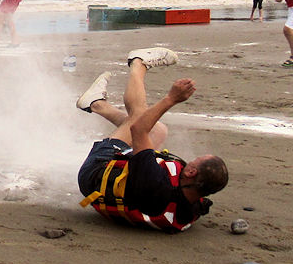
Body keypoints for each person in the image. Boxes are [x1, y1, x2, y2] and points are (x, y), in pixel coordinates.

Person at [74, 47, 228, 233]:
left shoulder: (154, 182)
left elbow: (138, 129)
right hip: (124, 191)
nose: (191, 160)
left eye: (196, 160)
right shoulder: (192, 204)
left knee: (138, 117)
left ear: (192, 172)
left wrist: (171, 99)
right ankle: (96, 104)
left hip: (95, 171)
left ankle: (138, 63)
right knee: (158, 131)